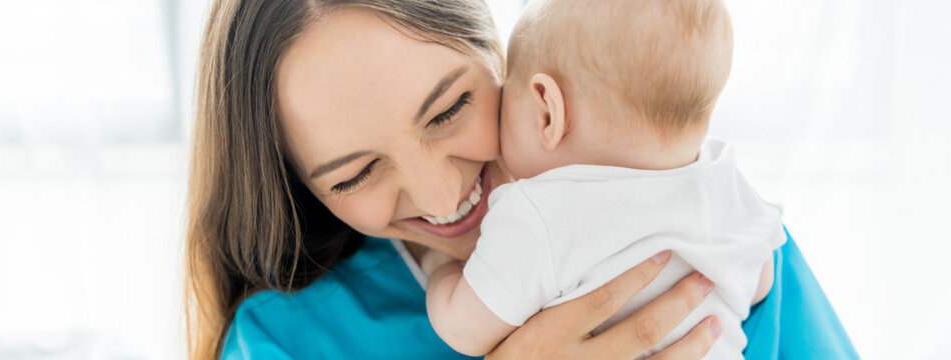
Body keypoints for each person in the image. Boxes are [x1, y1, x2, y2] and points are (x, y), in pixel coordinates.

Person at [183, 0, 858, 359]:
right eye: (356, 174)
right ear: (298, 187)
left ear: (500, 54)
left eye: (449, 109)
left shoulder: (718, 232)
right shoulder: (285, 345)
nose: (444, 197)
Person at [423, 0, 781, 358]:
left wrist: (440, 270)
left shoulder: (539, 213)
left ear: (547, 111)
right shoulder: (724, 176)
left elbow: (463, 330)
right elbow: (760, 283)